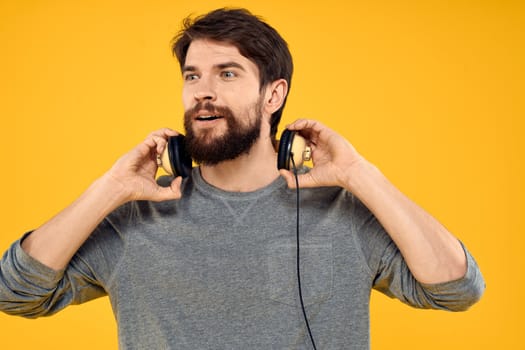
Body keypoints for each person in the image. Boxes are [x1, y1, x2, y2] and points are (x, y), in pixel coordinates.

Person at [0, 7, 484, 350]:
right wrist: (108, 188)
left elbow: (457, 289)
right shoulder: (134, 217)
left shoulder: (342, 212)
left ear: (274, 96)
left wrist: (362, 175)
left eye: (227, 74)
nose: (203, 93)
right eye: (192, 76)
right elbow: (14, 294)